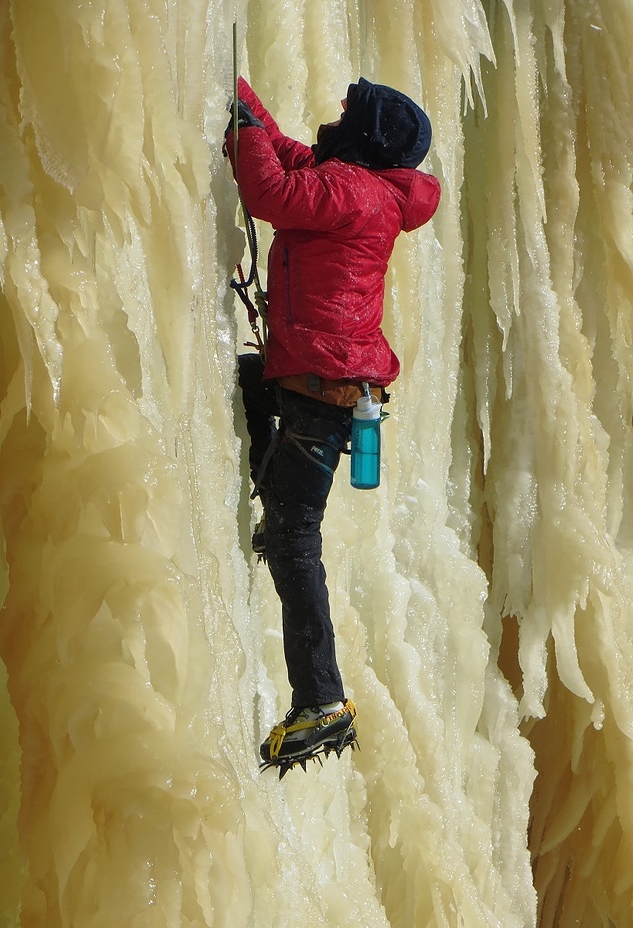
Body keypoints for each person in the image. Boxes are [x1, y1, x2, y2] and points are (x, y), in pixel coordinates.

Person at [224, 76, 440, 774]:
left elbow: (271, 194)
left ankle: (321, 700)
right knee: (247, 390)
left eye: (350, 117)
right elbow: (289, 159)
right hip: (319, 383)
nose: (334, 122)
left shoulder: (354, 192)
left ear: (369, 136)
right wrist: (247, 107)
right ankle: (271, 496)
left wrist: (245, 131)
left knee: (296, 542)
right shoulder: (358, 185)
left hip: (324, 391)